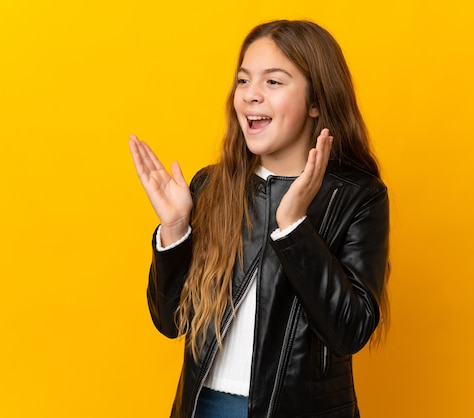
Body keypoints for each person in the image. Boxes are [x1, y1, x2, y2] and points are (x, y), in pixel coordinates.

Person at [129, 19, 390, 418]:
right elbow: (171, 322)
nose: (251, 95)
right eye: (243, 80)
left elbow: (350, 330)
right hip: (207, 408)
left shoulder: (356, 196)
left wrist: (294, 227)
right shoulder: (211, 186)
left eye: (273, 82)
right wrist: (175, 230)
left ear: (316, 101)